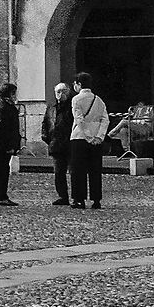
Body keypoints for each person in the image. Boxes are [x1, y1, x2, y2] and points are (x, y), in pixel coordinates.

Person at [70, 71, 109, 210]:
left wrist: (88, 136)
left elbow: (79, 119)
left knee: (77, 170)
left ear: (79, 84)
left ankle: (78, 199)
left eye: (75, 84)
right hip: (96, 140)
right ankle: (96, 199)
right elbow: (105, 119)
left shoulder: (76, 100)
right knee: (95, 170)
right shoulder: (98, 100)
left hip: (80, 138)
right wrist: (99, 136)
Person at [0, 82, 22, 206]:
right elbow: (4, 128)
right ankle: (1, 196)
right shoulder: (5, 107)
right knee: (2, 171)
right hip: (2, 145)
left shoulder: (1, 105)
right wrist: (10, 146)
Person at [43, 81, 74, 206]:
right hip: (56, 144)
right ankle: (63, 196)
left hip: (70, 144)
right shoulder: (52, 107)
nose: (60, 94)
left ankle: (76, 197)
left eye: (63, 91)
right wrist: (47, 138)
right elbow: (46, 123)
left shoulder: (72, 106)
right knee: (58, 173)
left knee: (73, 172)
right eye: (58, 92)